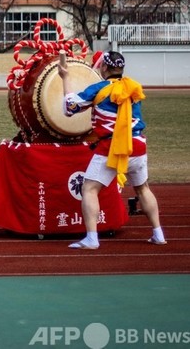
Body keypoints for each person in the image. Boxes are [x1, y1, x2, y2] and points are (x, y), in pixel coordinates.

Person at [59, 50, 166, 249]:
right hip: (138, 145)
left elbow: (69, 108)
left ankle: (91, 238)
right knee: (143, 188)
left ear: (105, 67)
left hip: (112, 147)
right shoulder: (133, 88)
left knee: (89, 189)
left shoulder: (99, 89)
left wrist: (64, 78)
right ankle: (158, 234)